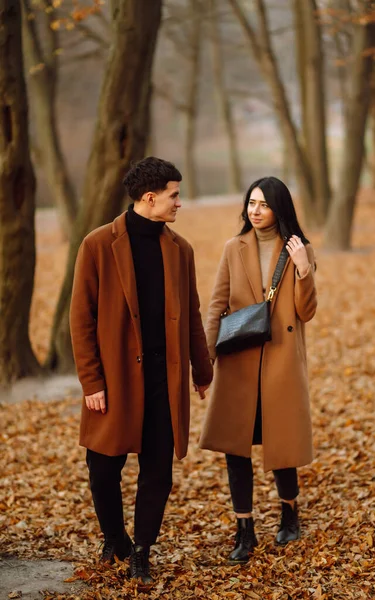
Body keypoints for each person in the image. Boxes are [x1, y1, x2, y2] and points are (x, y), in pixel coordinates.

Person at [70, 157, 213, 583]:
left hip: (162, 381)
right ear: (149, 198)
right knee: (102, 468)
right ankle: (115, 537)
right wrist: (91, 381)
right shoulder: (97, 244)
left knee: (157, 471)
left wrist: (201, 371)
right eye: (174, 195)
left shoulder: (180, 249)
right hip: (113, 379)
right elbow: (80, 319)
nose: (179, 203)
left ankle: (142, 552)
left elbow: (191, 315)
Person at [199, 176, 317, 564]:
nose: (255, 210)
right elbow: (217, 304)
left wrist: (303, 270)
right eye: (251, 202)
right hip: (239, 358)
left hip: (280, 358)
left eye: (264, 204)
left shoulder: (298, 249)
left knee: (280, 444)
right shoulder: (235, 247)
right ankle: (244, 529)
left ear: (279, 208)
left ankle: (289, 514)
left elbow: (306, 312)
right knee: (236, 447)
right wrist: (206, 361)